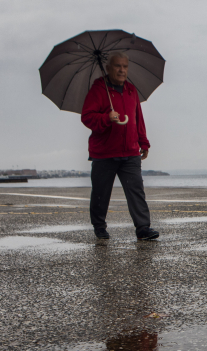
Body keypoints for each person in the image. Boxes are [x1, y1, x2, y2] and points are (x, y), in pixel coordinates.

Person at [81, 51, 159, 240]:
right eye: (117, 66)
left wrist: (144, 142)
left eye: (125, 66)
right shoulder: (98, 90)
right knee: (101, 193)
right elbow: (87, 117)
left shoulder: (132, 91)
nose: (122, 70)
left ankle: (143, 228)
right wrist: (106, 118)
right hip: (104, 153)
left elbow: (137, 119)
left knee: (136, 191)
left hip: (130, 152)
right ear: (108, 68)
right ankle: (99, 227)